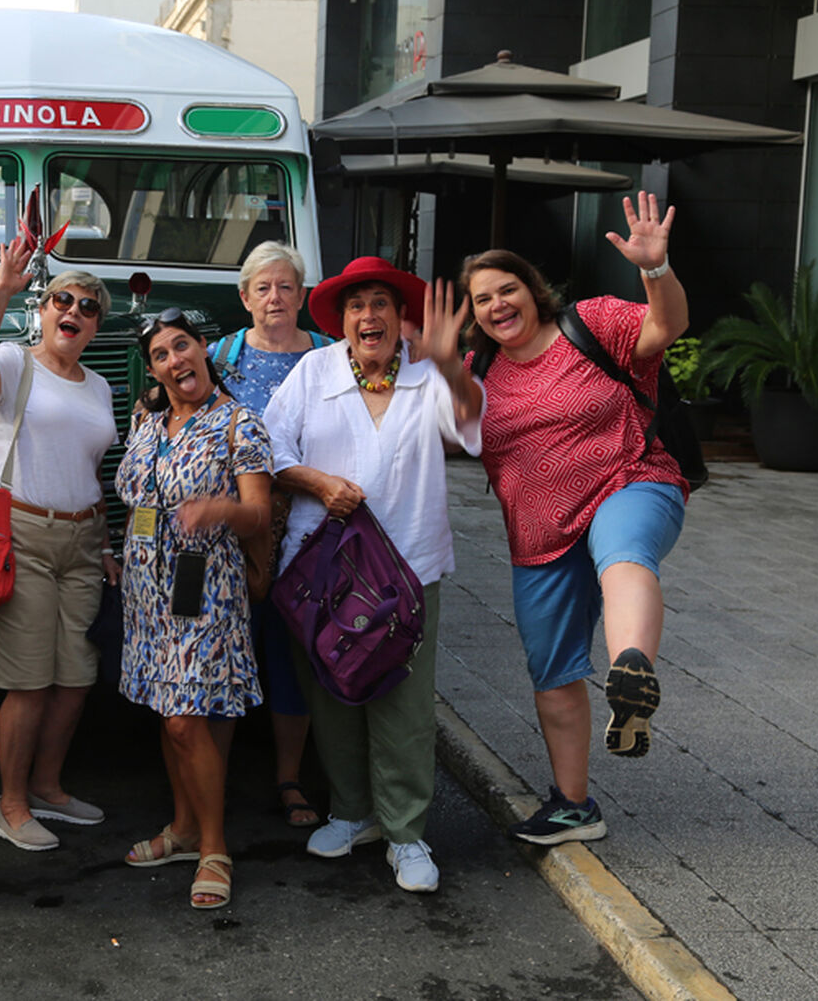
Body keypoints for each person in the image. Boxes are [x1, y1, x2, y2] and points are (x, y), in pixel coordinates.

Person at [461, 192, 689, 847]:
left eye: (508, 289)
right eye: (483, 299)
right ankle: (573, 806)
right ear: (474, 315)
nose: (498, 304)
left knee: (623, 556)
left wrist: (656, 268)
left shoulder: (589, 323)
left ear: (534, 292)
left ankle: (631, 670)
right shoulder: (479, 374)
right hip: (538, 533)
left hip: (630, 480)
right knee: (553, 673)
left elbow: (664, 325)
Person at [263, 255, 483, 893]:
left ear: (399, 316)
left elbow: (470, 425)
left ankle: (406, 832)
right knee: (333, 693)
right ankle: (353, 812)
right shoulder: (313, 371)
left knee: (404, 702)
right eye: (357, 305)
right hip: (324, 566)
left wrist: (447, 362)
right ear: (343, 319)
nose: (369, 316)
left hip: (408, 565)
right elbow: (271, 450)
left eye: (381, 303)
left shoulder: (428, 377)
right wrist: (317, 481)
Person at [0, 239, 119, 852]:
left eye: (88, 306)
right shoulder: (14, 360)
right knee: (26, 681)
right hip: (21, 532)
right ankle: (12, 803)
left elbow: (92, 468)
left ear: (95, 325)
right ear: (44, 310)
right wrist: (1, 288)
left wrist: (103, 541)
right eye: (62, 300)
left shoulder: (100, 386)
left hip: (82, 538)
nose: (73, 310)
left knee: (75, 677)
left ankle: (49, 788)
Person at [116, 308, 272, 910]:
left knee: (186, 717)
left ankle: (214, 847)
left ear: (205, 349)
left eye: (182, 346)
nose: (175, 360)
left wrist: (220, 511)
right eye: (161, 354)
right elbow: (137, 501)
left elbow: (258, 513)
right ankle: (182, 828)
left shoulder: (240, 423)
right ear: (152, 369)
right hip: (146, 589)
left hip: (205, 585)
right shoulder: (146, 421)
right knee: (169, 709)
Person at [206, 241, 332, 829]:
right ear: (245, 298)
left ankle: (289, 777)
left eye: (286, 287)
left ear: (302, 295)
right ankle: (213, 781)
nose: (275, 298)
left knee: (291, 651)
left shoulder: (331, 355)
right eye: (263, 288)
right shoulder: (219, 357)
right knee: (229, 648)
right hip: (236, 529)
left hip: (310, 527)